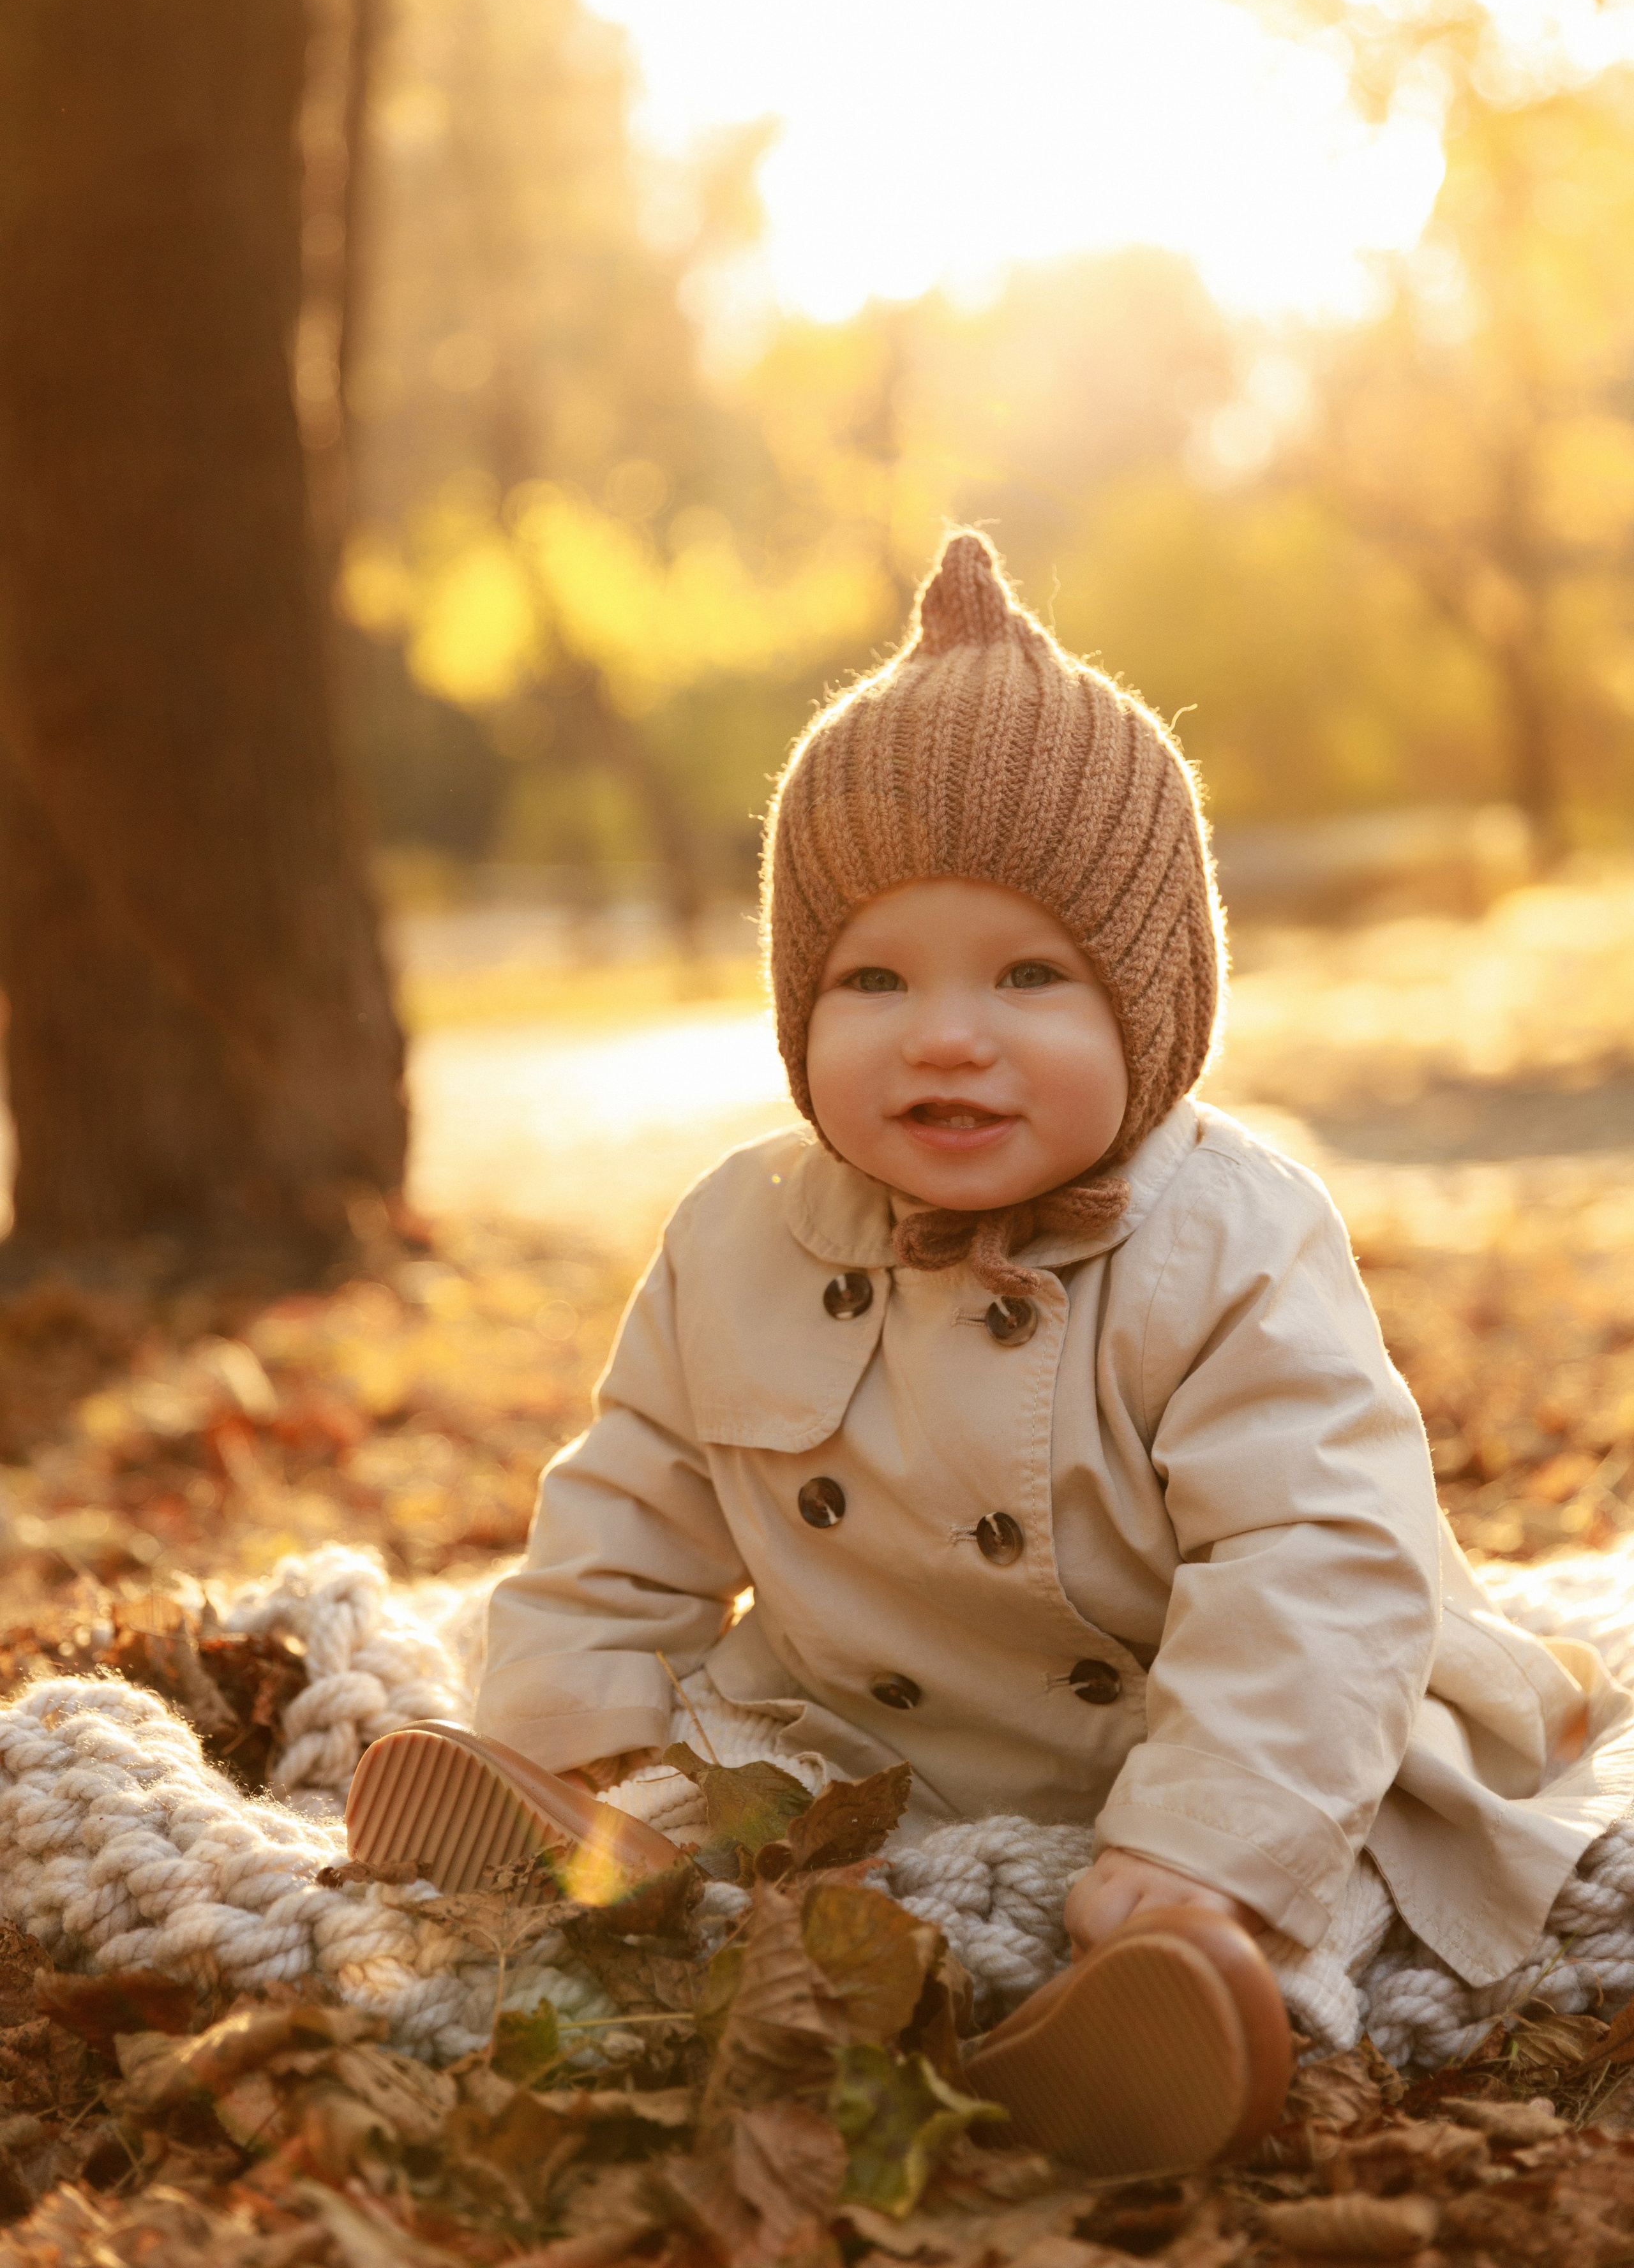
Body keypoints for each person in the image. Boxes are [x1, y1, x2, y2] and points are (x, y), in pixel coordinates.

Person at [350, 529, 1634, 2173]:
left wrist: (1208, 1838)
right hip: (865, 1739)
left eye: (1032, 975)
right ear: (798, 1010)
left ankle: (1155, 2014)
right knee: (717, 1794)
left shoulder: (1231, 1237)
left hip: (1219, 1719)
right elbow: (629, 1506)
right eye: (873, 978)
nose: (947, 1034)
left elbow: (1317, 1559)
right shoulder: (740, 1232)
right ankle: (609, 1870)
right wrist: (576, 1716)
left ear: (1153, 1009)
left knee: (1346, 1868)